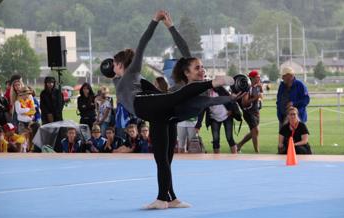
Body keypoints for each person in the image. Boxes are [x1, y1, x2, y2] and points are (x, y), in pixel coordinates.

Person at [109, 10, 237, 209]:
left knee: (164, 158)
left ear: (119, 64)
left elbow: (206, 102)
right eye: (198, 68)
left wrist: (229, 98)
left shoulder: (134, 73)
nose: (201, 69)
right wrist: (230, 97)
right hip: (158, 110)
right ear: (187, 72)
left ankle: (164, 198)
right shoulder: (131, 78)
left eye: (202, 68)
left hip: (158, 111)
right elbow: (158, 89)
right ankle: (168, 197)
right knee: (164, 159)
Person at [203, 86, 241, 154]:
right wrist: (198, 124)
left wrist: (231, 109)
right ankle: (217, 160)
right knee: (215, 140)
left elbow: (231, 98)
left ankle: (235, 157)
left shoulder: (220, 89)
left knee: (229, 138)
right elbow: (203, 109)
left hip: (227, 116)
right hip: (214, 118)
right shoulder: (205, 95)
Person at [237, 70, 263, 153]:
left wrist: (261, 91)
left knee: (254, 132)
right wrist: (255, 98)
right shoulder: (247, 88)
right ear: (251, 78)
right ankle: (257, 151)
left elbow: (260, 95)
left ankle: (239, 145)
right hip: (248, 112)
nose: (259, 78)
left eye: (259, 77)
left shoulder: (258, 86)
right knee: (255, 131)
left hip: (256, 111)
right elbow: (244, 103)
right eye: (257, 77)